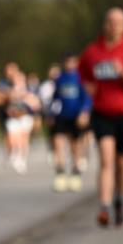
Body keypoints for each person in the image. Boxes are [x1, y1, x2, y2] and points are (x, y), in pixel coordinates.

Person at [78, 7, 123, 228]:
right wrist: (86, 86)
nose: (114, 25)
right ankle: (104, 206)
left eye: (118, 21)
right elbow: (81, 74)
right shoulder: (92, 52)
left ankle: (119, 199)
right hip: (101, 114)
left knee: (120, 164)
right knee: (106, 160)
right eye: (110, 21)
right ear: (104, 24)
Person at [46, 54, 91, 192]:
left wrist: (84, 112)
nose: (70, 64)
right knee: (58, 144)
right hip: (61, 116)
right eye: (68, 62)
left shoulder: (81, 78)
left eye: (73, 62)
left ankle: (75, 175)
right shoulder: (59, 79)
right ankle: (60, 174)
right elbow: (55, 99)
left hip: (76, 117)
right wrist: (50, 114)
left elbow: (87, 97)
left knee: (75, 146)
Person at [4, 65, 40, 174]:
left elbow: (36, 104)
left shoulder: (29, 91)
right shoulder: (9, 90)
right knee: (12, 137)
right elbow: (5, 102)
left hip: (25, 117)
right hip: (13, 118)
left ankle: (22, 158)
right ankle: (14, 153)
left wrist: (26, 98)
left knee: (24, 138)